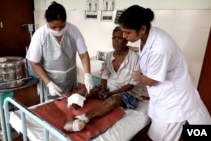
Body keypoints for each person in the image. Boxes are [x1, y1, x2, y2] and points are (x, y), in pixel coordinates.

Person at [118, 5, 211, 141]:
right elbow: (147, 53)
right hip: (178, 94)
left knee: (162, 137)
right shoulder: (148, 36)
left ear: (142, 29)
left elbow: (151, 81)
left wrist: (137, 76)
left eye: (127, 32)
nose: (124, 36)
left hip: (173, 101)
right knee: (199, 126)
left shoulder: (160, 46)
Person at [63, 26, 139, 132]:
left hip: (126, 91)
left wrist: (111, 93)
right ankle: (70, 103)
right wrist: (103, 89)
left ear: (126, 40)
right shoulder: (109, 56)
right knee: (86, 91)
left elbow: (131, 85)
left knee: (113, 100)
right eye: (114, 38)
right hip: (110, 86)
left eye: (119, 38)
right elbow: (104, 76)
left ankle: (83, 118)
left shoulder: (134, 58)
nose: (116, 41)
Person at [26, 1, 94, 100]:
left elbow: (83, 55)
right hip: (50, 80)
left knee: (71, 103)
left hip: (70, 79)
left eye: (62, 26)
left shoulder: (73, 30)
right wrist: (49, 84)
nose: (58, 30)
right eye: (53, 27)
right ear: (47, 22)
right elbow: (34, 63)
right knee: (52, 108)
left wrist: (88, 75)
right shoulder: (40, 35)